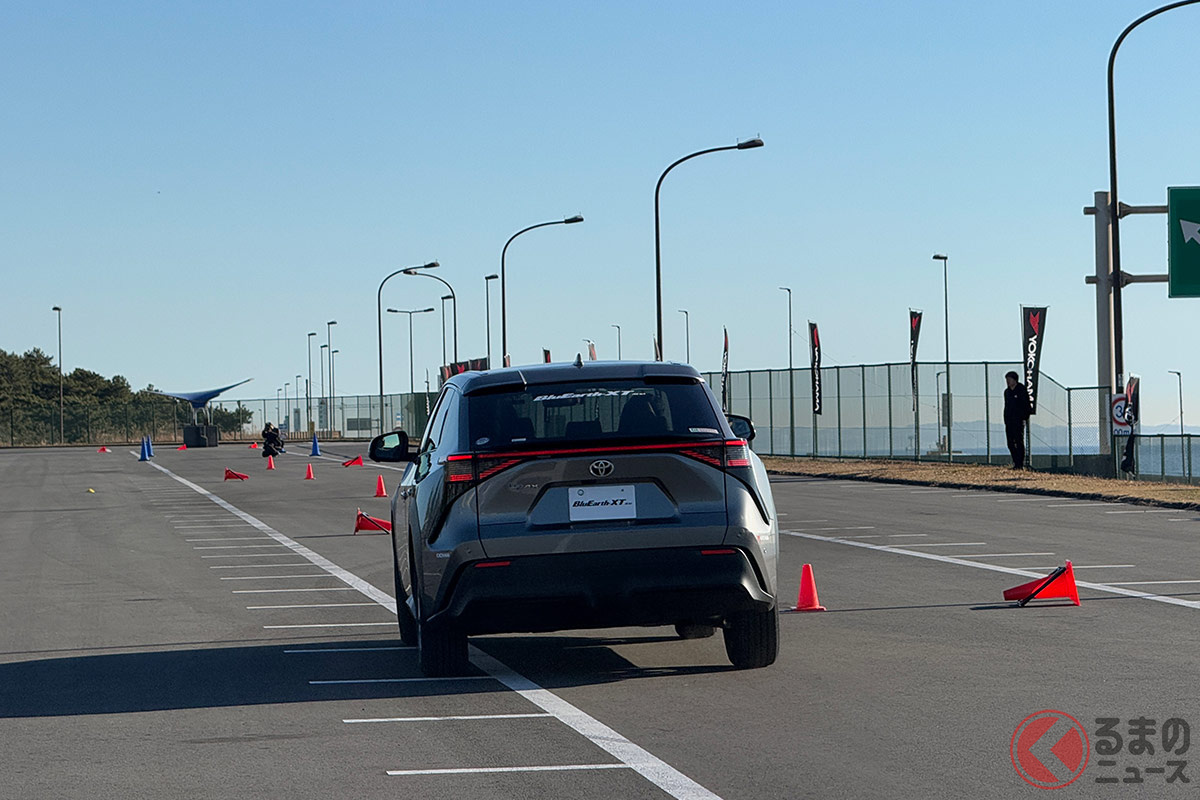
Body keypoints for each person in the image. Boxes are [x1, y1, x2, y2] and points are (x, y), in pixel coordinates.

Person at [1003, 371, 1032, 470]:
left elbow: (1026, 405)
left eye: (1009, 379)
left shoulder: (1021, 390)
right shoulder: (1007, 392)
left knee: (1019, 441)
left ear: (1014, 380)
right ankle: (1016, 462)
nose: (1007, 382)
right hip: (1009, 421)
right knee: (1010, 442)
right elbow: (1006, 407)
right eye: (1006, 380)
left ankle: (1020, 464)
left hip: (1018, 420)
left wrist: (1024, 418)